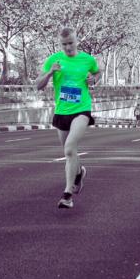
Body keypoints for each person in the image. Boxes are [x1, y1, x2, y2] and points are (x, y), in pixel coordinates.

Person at [36, 28, 101, 209]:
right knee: (69, 152)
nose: (68, 47)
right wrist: (50, 73)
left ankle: (67, 194)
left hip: (82, 109)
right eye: (64, 44)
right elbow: (38, 86)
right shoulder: (53, 60)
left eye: (71, 43)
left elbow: (97, 73)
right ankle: (79, 172)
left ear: (77, 41)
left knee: (70, 148)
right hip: (62, 111)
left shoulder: (88, 59)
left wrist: (93, 80)